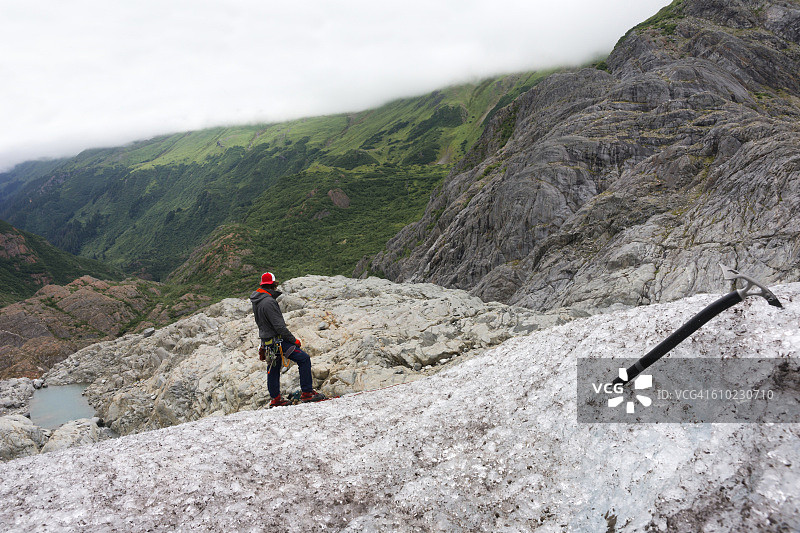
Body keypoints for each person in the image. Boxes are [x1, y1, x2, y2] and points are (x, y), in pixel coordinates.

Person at [250, 272, 325, 406]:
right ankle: (307, 393)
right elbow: (279, 327)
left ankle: (276, 399)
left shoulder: (257, 301)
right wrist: (293, 340)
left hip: (267, 343)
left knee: (273, 368)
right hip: (278, 342)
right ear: (273, 285)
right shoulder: (269, 302)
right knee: (304, 359)